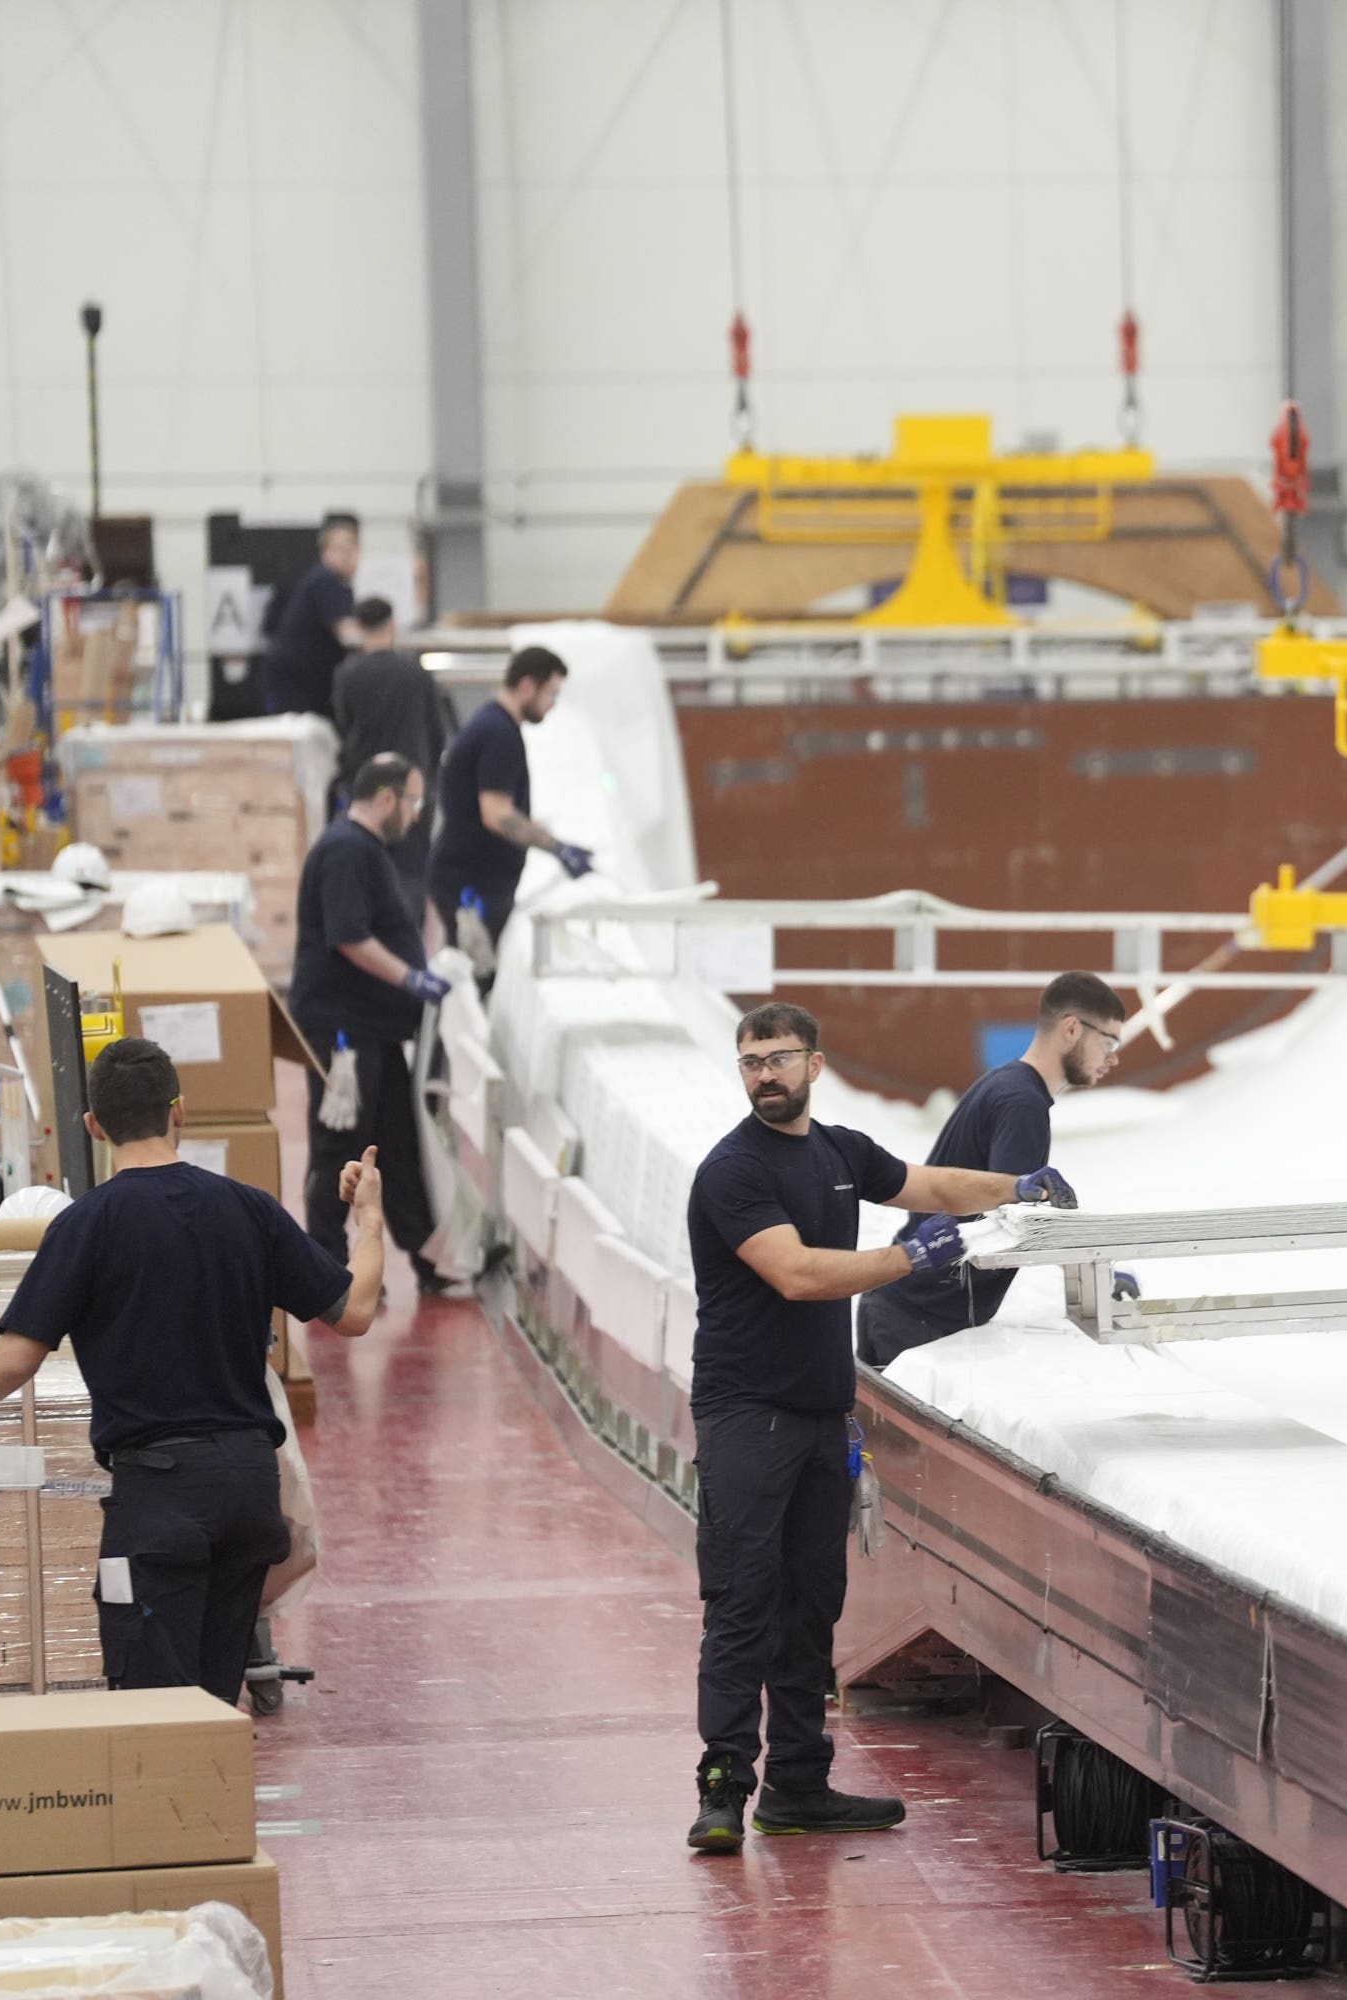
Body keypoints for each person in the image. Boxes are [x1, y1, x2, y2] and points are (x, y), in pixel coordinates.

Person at [683, 1002, 1077, 1852]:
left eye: (779, 1059)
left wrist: (1017, 1188)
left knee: (811, 1608)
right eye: (750, 1062)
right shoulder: (731, 1173)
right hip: (746, 1416)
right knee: (742, 1603)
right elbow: (796, 1274)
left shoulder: (836, 1152)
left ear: (814, 1065)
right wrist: (915, 1256)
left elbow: (928, 1183)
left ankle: (796, 1785)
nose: (764, 1076)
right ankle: (722, 1789)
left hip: (823, 1416)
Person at [0, 1038, 385, 1703]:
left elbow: (16, 1357)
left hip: (160, 1502)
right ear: (181, 1111)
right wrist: (370, 1216)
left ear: (93, 1126)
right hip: (247, 1490)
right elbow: (353, 1311)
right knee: (212, 1706)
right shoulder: (250, 1209)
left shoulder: (88, 1224)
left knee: (153, 1713)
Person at [857, 973, 1125, 1369]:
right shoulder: (1022, 1104)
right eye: (1109, 1042)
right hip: (918, 1320)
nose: (1114, 1058)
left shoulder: (1009, 1085)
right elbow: (1013, 1225)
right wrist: (1094, 1277)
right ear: (1071, 1028)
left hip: (902, 1308)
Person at [291, 753, 455, 1293]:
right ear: (387, 799)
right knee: (340, 1148)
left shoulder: (367, 851)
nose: (414, 815)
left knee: (396, 1146)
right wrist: (411, 978)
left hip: (375, 1033)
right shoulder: (344, 851)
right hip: (345, 1036)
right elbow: (349, 936)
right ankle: (326, 1269)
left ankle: (430, 1258)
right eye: (412, 803)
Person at [428, 645, 592, 967]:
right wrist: (557, 848)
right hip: (471, 887)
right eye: (551, 694)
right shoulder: (497, 734)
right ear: (527, 686)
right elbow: (498, 814)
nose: (552, 705)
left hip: (471, 880)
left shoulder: (494, 726)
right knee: (472, 981)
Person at [330, 597, 455, 908]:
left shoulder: (347, 675)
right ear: (393, 625)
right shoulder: (416, 674)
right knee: (409, 878)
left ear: (359, 628)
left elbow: (344, 729)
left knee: (365, 876)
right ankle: (407, 945)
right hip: (409, 792)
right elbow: (437, 733)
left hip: (366, 793)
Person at [262, 514, 365, 721]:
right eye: (341, 549)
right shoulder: (326, 580)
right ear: (325, 552)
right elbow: (348, 635)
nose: (348, 556)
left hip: (304, 682)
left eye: (352, 549)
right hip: (298, 686)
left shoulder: (332, 583)